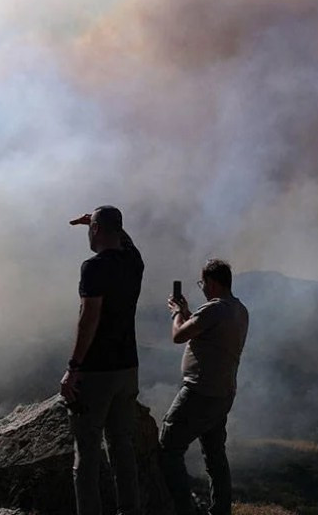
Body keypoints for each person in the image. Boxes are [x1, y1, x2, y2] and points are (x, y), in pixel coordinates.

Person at [61, 206, 144, 515]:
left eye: (91, 228)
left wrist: (73, 367)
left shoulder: (93, 267)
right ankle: (129, 510)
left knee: (87, 453)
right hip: (128, 368)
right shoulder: (134, 262)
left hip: (97, 371)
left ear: (95, 230)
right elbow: (128, 242)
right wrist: (101, 221)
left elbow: (89, 318)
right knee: (122, 445)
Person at [161, 259, 249, 515]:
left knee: (169, 448)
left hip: (199, 392)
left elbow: (179, 336)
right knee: (215, 456)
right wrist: (188, 313)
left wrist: (177, 312)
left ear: (211, 283)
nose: (202, 288)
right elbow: (202, 331)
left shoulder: (213, 309)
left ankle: (182, 510)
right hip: (222, 393)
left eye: (202, 283)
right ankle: (220, 511)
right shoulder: (238, 309)